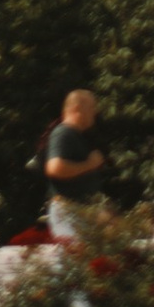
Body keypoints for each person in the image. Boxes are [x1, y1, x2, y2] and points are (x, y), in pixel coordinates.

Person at [43, 89, 106, 237]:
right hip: (68, 212)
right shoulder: (63, 133)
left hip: (79, 212)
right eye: (91, 107)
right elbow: (55, 168)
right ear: (77, 108)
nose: (94, 112)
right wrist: (90, 164)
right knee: (75, 253)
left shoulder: (75, 136)